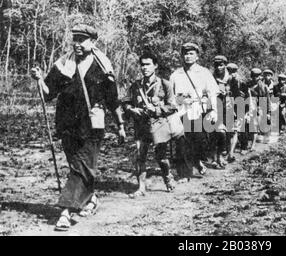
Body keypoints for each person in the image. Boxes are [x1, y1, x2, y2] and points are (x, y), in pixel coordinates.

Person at [30, 24, 126, 231]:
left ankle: (66, 211)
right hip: (67, 125)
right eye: (75, 39)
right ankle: (91, 199)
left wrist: (120, 126)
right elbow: (48, 93)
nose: (77, 44)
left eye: (82, 40)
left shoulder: (102, 67)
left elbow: (113, 100)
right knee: (80, 166)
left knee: (81, 166)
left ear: (92, 42)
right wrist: (39, 80)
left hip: (92, 125)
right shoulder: (63, 64)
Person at [122, 52, 180, 197]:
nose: (144, 68)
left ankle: (167, 177)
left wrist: (157, 109)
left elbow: (172, 106)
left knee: (161, 157)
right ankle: (141, 188)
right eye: (142, 65)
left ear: (155, 66)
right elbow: (126, 102)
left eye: (148, 64)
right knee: (140, 156)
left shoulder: (165, 84)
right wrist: (131, 109)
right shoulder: (135, 86)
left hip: (159, 124)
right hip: (141, 125)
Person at [170, 42, 219, 180]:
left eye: (191, 53)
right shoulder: (176, 75)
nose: (188, 56)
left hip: (198, 111)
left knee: (199, 141)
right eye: (185, 53)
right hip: (181, 112)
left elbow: (212, 93)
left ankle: (197, 161)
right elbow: (171, 97)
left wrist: (214, 110)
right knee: (182, 142)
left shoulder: (204, 73)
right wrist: (180, 101)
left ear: (197, 56)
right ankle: (184, 174)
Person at [225, 63, 247, 162]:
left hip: (238, 108)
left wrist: (246, 111)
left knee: (235, 131)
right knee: (229, 131)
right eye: (230, 71)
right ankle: (228, 151)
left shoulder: (241, 82)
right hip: (227, 107)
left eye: (233, 71)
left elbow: (247, 96)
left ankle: (231, 153)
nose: (232, 73)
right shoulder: (225, 81)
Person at [211, 55, 230, 169]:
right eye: (216, 65)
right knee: (214, 133)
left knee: (225, 133)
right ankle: (214, 158)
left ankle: (221, 155)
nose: (219, 67)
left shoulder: (231, 78)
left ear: (225, 65)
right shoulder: (211, 77)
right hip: (214, 107)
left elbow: (239, 94)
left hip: (228, 108)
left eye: (221, 65)